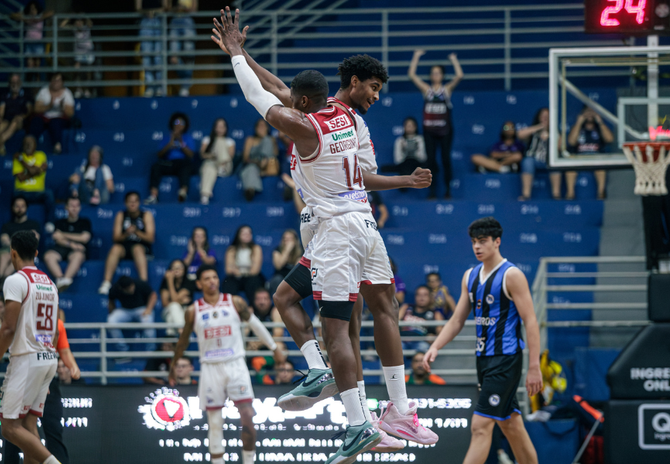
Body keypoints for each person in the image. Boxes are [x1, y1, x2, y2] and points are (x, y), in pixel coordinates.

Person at [212, 10, 436, 461]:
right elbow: (279, 88)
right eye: (373, 87)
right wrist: (244, 53)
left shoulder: (308, 124)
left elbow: (261, 95)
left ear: (302, 102)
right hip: (363, 226)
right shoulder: (347, 118)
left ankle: (356, 420)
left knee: (339, 330)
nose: (376, 95)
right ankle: (395, 408)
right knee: (370, 309)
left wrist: (236, 55)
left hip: (334, 230)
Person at [423, 217, 543, 464]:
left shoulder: (512, 275)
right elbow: (457, 320)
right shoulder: (470, 276)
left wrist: (534, 366)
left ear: (497, 242)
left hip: (506, 359)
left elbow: (531, 321)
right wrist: (435, 346)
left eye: (483, 241)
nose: (477, 246)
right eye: (474, 242)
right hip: (484, 360)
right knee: (511, 425)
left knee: (480, 426)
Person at [169, 263, 285, 464]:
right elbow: (183, 341)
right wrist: (173, 364)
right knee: (215, 422)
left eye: (214, 277)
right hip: (210, 367)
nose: (212, 281)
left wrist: (274, 348)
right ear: (199, 283)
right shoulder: (193, 310)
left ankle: (248, 461)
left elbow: (255, 325)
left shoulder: (235, 302)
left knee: (247, 414)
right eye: (206, 278)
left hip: (235, 364)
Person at [0, 230, 61, 464]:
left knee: (9, 428)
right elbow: (55, 331)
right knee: (27, 426)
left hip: (27, 360)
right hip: (48, 358)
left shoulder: (16, 280)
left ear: (12, 253)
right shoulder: (50, 283)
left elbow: (7, 329)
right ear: (36, 252)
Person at [4, 316, 81, 464]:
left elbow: (64, 350)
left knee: (48, 429)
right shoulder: (25, 320)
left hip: (46, 380)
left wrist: (73, 366)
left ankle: (58, 461)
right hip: (24, 378)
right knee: (16, 429)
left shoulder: (57, 324)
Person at [408, 49, 464, 199]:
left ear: (442, 75)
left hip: (445, 131)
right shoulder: (427, 90)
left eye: (438, 73)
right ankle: (432, 190)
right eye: (433, 73)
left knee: (445, 159)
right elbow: (412, 75)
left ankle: (448, 190)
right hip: (429, 131)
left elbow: (459, 75)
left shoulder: (446, 90)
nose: (435, 75)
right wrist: (416, 56)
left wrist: (453, 60)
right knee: (430, 160)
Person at [98, 191, 155, 294]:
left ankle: (143, 284)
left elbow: (150, 238)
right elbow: (116, 238)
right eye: (130, 201)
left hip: (142, 246)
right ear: (125, 203)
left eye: (135, 201)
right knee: (115, 248)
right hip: (125, 246)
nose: (133, 204)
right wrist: (126, 233)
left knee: (137, 249)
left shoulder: (146, 215)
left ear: (139, 202)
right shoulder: (121, 215)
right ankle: (106, 283)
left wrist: (136, 231)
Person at [145, 112, 195, 204]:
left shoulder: (188, 138)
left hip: (182, 163)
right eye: (176, 122)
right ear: (172, 124)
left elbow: (191, 155)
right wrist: (170, 143)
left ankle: (183, 192)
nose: (179, 125)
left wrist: (181, 142)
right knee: (156, 166)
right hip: (169, 163)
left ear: (185, 126)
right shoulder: (167, 138)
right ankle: (153, 195)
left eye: (181, 123)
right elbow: (159, 155)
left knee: (187, 165)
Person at [43, 197, 92, 291]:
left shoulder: (85, 222)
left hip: (78, 250)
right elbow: (57, 237)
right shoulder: (60, 222)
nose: (74, 208)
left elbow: (84, 238)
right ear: (66, 207)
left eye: (77, 206)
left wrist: (63, 235)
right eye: (71, 206)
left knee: (78, 255)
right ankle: (60, 278)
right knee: (48, 256)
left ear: (80, 207)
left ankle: (67, 279)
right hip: (63, 248)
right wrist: (71, 244)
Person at [567, 106, 614, 200]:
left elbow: (610, 139)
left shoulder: (599, 128)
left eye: (592, 111)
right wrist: (579, 122)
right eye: (587, 111)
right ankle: (570, 194)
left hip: (596, 158)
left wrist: (600, 122)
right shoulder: (578, 127)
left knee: (601, 167)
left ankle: (601, 194)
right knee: (569, 166)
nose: (589, 114)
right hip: (579, 158)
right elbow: (571, 142)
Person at [12, 135, 56, 229]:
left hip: (38, 192)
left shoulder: (40, 155)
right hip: (22, 192)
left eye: (30, 143)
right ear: (23, 145)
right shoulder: (17, 157)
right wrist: (37, 171)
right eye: (26, 143)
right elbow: (21, 178)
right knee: (14, 196)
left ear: (35, 145)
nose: (28, 145)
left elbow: (30, 173)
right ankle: (13, 223)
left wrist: (22, 161)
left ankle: (50, 223)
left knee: (49, 194)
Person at [0, 197, 41, 288]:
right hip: (9, 250)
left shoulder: (33, 224)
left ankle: (2, 280)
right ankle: (1, 278)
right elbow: (4, 240)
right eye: (17, 206)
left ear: (26, 207)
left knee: (18, 255)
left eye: (22, 206)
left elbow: (35, 240)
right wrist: (22, 242)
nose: (20, 209)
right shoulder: (7, 225)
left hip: (25, 252)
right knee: (4, 255)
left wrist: (16, 244)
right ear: (12, 208)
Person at [518, 107, 562, 201]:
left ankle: (556, 194)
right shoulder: (533, 130)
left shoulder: (555, 131)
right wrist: (539, 127)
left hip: (549, 160)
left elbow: (560, 147)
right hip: (534, 160)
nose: (545, 118)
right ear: (538, 117)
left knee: (556, 163)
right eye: (543, 116)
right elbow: (520, 135)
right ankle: (526, 194)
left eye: (547, 116)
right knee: (527, 161)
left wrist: (550, 138)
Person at [106, 276, 157, 352]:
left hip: (142, 309)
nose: (131, 289)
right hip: (125, 310)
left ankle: (151, 352)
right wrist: (112, 312)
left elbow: (153, 295)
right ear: (122, 289)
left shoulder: (140, 284)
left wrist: (149, 309)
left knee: (148, 323)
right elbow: (111, 301)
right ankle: (123, 350)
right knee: (111, 320)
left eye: (132, 286)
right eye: (128, 288)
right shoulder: (115, 288)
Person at [30, 73, 75, 155]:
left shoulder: (67, 93)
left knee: (55, 123)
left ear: (62, 82)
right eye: (54, 80)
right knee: (36, 121)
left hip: (60, 119)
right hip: (44, 117)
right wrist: (49, 106)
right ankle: (30, 145)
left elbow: (70, 114)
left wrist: (62, 108)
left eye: (58, 80)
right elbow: (36, 109)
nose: (55, 82)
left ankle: (57, 147)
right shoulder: (44, 91)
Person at [10, 1, 53, 81]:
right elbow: (12, 15)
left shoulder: (40, 15)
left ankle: (37, 83)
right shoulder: (27, 16)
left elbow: (51, 12)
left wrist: (39, 18)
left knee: (37, 67)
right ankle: (28, 83)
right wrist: (24, 19)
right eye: (31, 9)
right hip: (29, 43)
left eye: (34, 9)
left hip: (38, 43)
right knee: (29, 66)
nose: (32, 11)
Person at [222, 225, 264, 305]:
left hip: (251, 277)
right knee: (228, 282)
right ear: (238, 235)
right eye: (244, 233)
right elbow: (229, 270)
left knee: (253, 282)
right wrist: (238, 273)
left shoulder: (256, 248)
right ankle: (230, 307)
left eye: (249, 233)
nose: (247, 235)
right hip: (236, 277)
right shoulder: (231, 249)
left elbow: (255, 270)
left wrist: (241, 272)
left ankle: (252, 307)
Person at [240, 119, 279, 201]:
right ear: (256, 128)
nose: (261, 128)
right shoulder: (250, 140)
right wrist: (258, 162)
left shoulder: (271, 139)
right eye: (259, 126)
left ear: (267, 128)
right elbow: (245, 158)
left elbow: (275, 154)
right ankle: (250, 191)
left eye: (263, 126)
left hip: (268, 164)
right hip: (254, 164)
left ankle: (263, 164)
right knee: (251, 169)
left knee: (267, 140)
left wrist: (265, 138)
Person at [199, 117, 235, 204]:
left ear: (226, 129)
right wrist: (212, 155)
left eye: (222, 127)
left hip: (226, 165)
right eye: (218, 126)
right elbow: (202, 154)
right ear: (214, 128)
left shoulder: (230, 141)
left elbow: (231, 156)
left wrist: (220, 158)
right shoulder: (207, 139)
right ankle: (205, 196)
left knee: (220, 141)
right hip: (212, 163)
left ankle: (221, 168)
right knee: (209, 168)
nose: (220, 129)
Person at [0, 73, 33, 156]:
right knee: (1, 124)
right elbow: (1, 110)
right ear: (9, 83)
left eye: (17, 82)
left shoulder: (26, 94)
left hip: (21, 121)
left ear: (20, 83)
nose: (14, 84)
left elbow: (30, 110)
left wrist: (22, 116)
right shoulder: (5, 95)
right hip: (7, 119)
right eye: (13, 82)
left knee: (15, 121)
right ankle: (1, 148)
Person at [398, 285, 444, 352]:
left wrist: (433, 337)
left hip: (421, 342)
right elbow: (395, 323)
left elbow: (441, 334)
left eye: (425, 295)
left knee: (423, 348)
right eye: (419, 295)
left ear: (430, 297)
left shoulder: (435, 314)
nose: (421, 297)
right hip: (402, 340)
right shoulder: (406, 307)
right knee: (396, 348)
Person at [59, 16, 95, 99]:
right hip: (78, 54)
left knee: (87, 73)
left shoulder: (86, 28)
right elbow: (61, 26)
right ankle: (79, 89)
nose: (79, 23)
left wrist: (84, 16)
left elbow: (90, 23)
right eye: (77, 22)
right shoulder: (74, 29)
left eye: (80, 22)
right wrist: (69, 18)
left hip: (88, 54)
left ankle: (86, 90)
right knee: (77, 71)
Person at [136, 0, 166, 97]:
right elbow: (138, 8)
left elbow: (166, 7)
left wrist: (154, 12)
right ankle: (150, 86)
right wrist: (147, 12)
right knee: (147, 58)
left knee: (158, 57)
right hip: (145, 23)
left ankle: (159, 87)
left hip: (158, 21)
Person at [160, 259, 197, 335]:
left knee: (170, 318)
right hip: (167, 310)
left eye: (180, 267)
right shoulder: (165, 283)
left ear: (184, 269)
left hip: (185, 311)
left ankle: (172, 337)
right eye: (174, 267)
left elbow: (174, 299)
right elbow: (165, 303)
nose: (177, 269)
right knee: (173, 306)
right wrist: (170, 281)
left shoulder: (188, 282)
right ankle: (183, 332)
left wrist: (175, 301)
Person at [169, 0, 198, 96]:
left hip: (188, 21)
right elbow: (167, 8)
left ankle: (185, 86)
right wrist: (176, 8)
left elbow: (194, 10)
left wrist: (185, 9)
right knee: (174, 59)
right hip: (175, 20)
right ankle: (186, 82)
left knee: (188, 56)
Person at [268, 229, 302, 297]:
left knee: (298, 281)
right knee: (277, 280)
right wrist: (287, 250)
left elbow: (297, 269)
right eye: (285, 239)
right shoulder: (277, 250)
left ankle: (295, 302)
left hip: (293, 278)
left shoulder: (300, 251)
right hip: (280, 278)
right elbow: (278, 266)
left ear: (295, 241)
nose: (287, 241)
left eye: (290, 239)